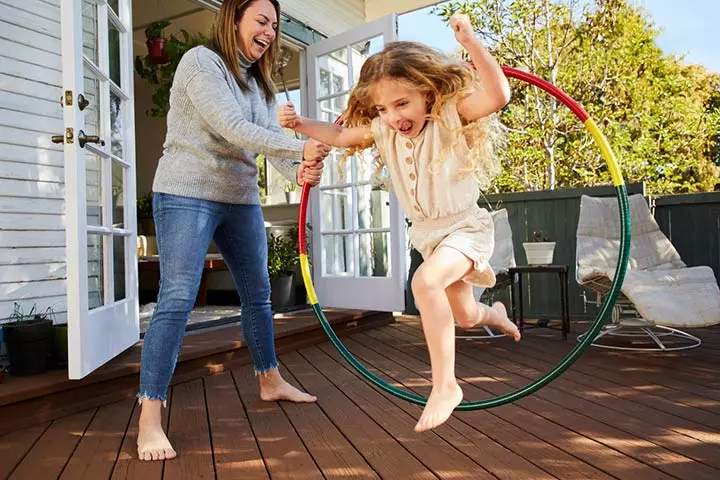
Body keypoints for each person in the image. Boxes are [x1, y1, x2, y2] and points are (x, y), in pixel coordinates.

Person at [278, 14, 520, 433]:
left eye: (402, 104)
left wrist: (472, 43)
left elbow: (498, 94)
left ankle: (445, 385)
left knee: (424, 283)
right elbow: (339, 137)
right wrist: (300, 124)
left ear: (427, 92)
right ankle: (494, 314)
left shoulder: (449, 117)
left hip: (464, 227)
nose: (392, 116)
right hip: (429, 235)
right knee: (463, 316)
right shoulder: (384, 130)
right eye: (382, 108)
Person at [137, 0, 328, 461]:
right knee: (178, 297)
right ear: (234, 17)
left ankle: (269, 378)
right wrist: (298, 146)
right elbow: (231, 127)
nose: (268, 32)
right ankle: (148, 416)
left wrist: (299, 167)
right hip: (187, 192)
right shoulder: (201, 62)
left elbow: (272, 149)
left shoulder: (260, 87)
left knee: (259, 292)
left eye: (274, 26)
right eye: (261, 20)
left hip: (239, 197)